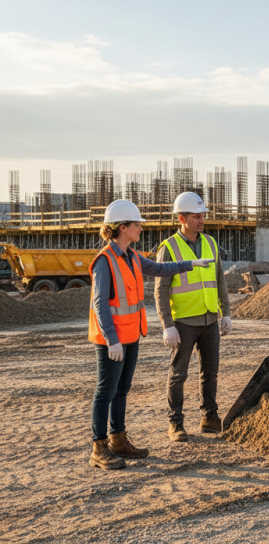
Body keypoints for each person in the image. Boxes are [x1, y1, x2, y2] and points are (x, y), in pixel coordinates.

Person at [89, 199, 212, 470]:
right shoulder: (105, 261)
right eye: (137, 224)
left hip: (131, 336)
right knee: (105, 391)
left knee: (121, 390)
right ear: (123, 228)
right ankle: (99, 448)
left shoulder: (131, 256)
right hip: (113, 341)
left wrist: (192, 264)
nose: (141, 228)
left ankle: (118, 439)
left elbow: (160, 269)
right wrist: (112, 340)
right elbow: (100, 304)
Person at [156, 191, 232, 442]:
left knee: (210, 372)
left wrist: (226, 313)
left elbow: (219, 279)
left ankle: (209, 418)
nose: (202, 220)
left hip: (210, 320)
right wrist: (167, 325)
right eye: (197, 216)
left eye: (203, 216)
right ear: (182, 218)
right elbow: (161, 289)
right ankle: (175, 423)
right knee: (178, 374)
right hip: (184, 322)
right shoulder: (169, 248)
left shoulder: (210, 243)